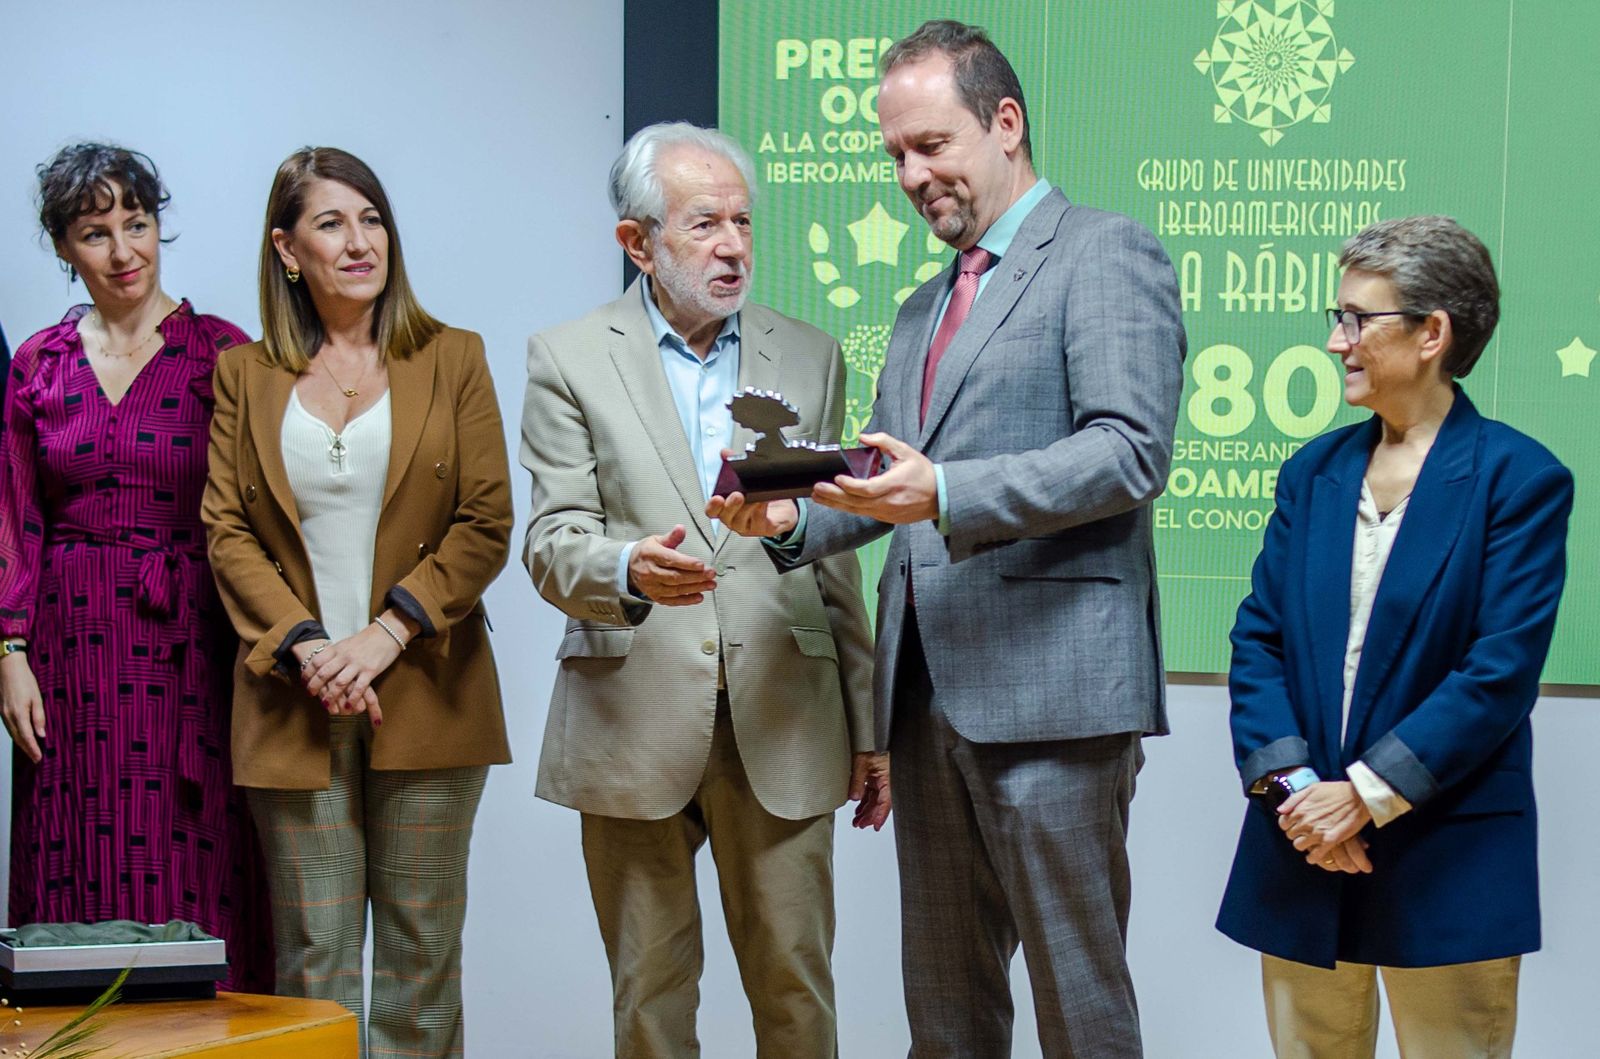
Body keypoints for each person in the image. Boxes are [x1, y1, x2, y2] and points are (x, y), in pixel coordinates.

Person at [711, 20, 1185, 1058]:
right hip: (926, 710)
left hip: (1055, 702)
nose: (911, 174)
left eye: (931, 145)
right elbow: (891, 481)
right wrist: (790, 519)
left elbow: (1127, 453)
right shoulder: (925, 305)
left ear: (1005, 122)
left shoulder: (1106, 252)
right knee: (947, 1019)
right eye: (894, 155)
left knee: (1080, 1010)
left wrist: (949, 492)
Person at [520, 122, 883, 1058]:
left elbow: (834, 552)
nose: (732, 246)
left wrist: (871, 725)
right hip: (630, 715)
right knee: (649, 1000)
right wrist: (627, 570)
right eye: (703, 224)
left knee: (797, 995)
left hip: (786, 715)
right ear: (636, 242)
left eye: (743, 223)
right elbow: (553, 539)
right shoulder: (567, 357)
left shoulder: (811, 354)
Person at [1217, 216, 1573, 1059]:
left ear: (1432, 333)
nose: (1337, 341)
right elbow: (1257, 638)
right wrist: (1302, 794)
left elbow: (1498, 672)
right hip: (1302, 844)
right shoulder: (1314, 471)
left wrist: (1365, 794)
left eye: (1356, 318)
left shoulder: (1518, 479)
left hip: (1447, 854)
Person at [202, 146, 513, 1055]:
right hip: (291, 697)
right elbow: (228, 531)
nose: (359, 239)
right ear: (286, 248)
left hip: (427, 690)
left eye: (371, 217)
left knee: (421, 970)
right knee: (315, 971)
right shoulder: (243, 373)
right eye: (331, 222)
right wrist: (310, 646)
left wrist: (383, 633)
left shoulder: (454, 357)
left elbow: (485, 519)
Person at [0, 143, 272, 991]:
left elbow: (262, 516)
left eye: (138, 223)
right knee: (71, 854)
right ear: (62, 249)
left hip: (192, 647)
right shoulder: (38, 363)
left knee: (194, 855)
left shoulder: (226, 356)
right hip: (66, 650)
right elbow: (13, 517)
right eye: (94, 232)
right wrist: (9, 654)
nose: (123, 252)